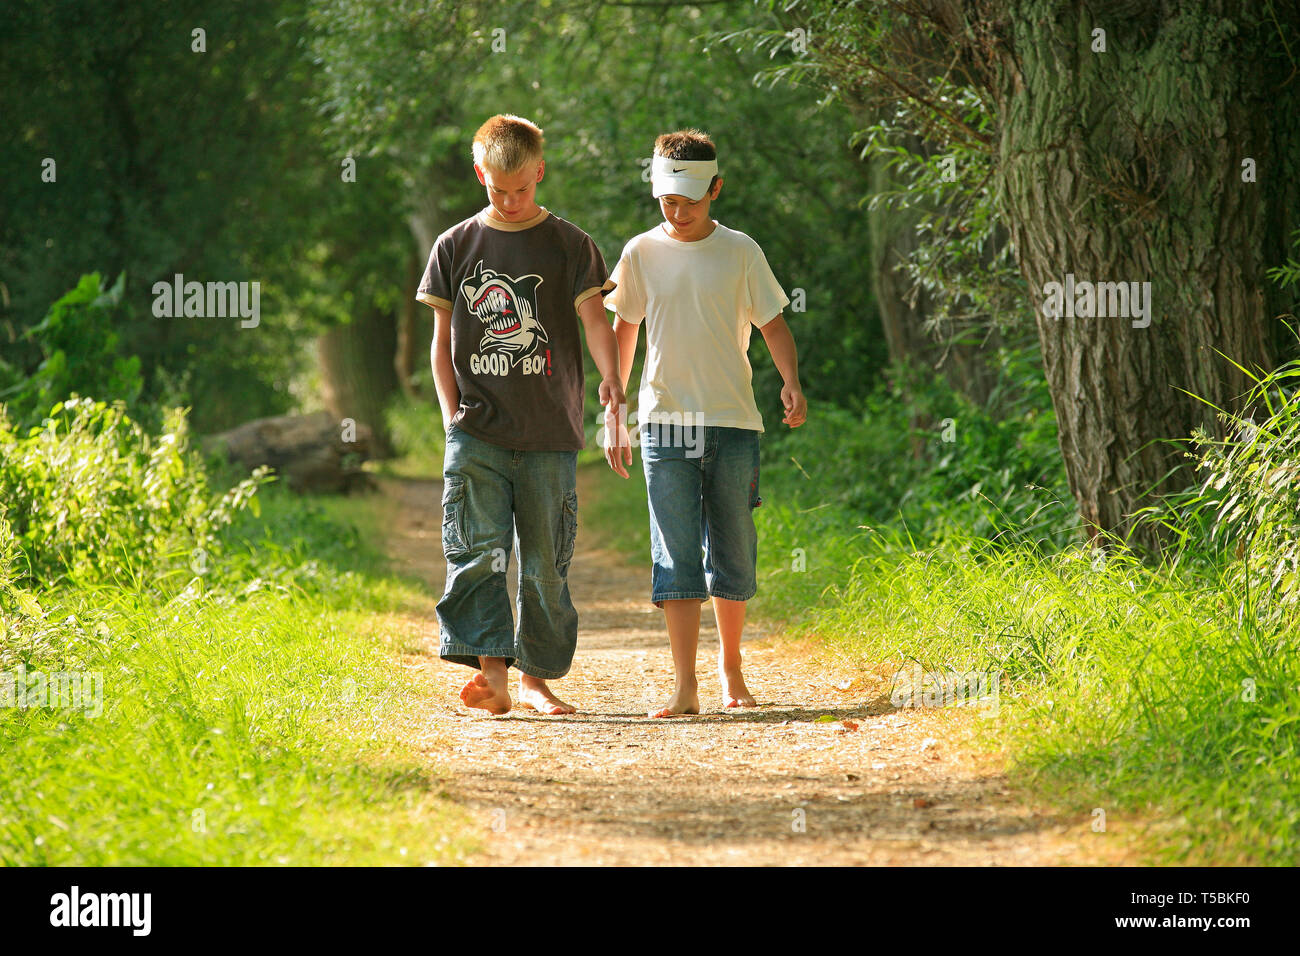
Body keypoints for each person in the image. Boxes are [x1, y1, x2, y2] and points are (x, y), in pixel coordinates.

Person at [417, 114, 627, 715]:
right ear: (480, 173)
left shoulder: (569, 244)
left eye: (522, 189)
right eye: (497, 190)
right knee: (477, 553)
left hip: (548, 434)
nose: (510, 202)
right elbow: (440, 338)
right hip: (477, 432)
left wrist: (611, 376)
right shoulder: (454, 245)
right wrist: (448, 410)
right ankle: (494, 676)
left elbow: (594, 318)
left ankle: (536, 679)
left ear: (540, 171)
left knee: (544, 561)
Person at [603, 128, 808, 718]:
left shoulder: (741, 251)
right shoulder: (640, 253)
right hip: (666, 423)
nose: (678, 211)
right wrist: (615, 409)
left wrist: (789, 380)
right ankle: (684, 682)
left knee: (733, 547)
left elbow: (772, 324)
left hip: (732, 420)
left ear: (715, 189)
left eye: (689, 200)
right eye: (668, 200)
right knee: (676, 552)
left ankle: (732, 668)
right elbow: (624, 330)